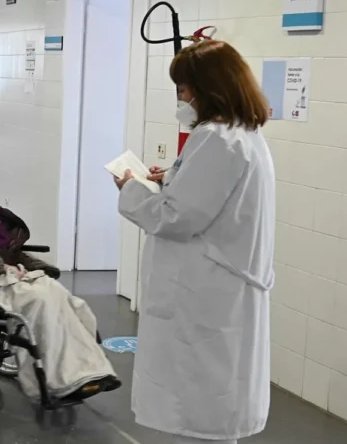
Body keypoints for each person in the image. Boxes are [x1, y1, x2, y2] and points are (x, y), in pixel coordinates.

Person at [114, 40, 274, 444]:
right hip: (217, 289)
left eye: (184, 90)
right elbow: (208, 195)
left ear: (209, 88)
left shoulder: (217, 139)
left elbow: (177, 217)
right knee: (211, 407)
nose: (182, 99)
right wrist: (170, 177)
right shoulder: (242, 136)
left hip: (204, 295)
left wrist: (132, 189)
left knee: (198, 409)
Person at [0, 151, 119, 402]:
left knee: (65, 299)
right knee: (41, 303)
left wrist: (31, 264)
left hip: (9, 273)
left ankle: (91, 370)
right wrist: (0, 265)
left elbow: (8, 246)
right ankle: (58, 380)